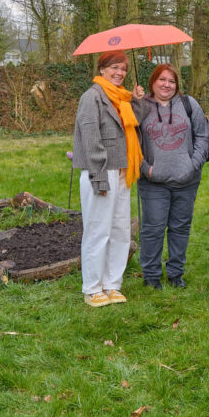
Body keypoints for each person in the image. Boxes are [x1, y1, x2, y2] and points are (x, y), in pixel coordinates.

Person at [72, 50, 144, 307]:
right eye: (114, 67)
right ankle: (92, 288)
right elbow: (91, 140)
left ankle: (112, 284)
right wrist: (99, 178)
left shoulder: (122, 98)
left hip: (122, 172)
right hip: (101, 172)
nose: (119, 73)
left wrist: (136, 101)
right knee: (98, 231)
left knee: (120, 231)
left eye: (123, 69)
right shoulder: (92, 97)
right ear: (102, 69)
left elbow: (133, 126)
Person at [137, 64, 209, 290]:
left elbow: (203, 136)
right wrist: (146, 169)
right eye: (162, 79)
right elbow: (131, 142)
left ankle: (176, 273)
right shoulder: (141, 106)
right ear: (153, 81)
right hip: (153, 183)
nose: (166, 85)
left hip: (186, 181)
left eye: (171, 81)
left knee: (180, 227)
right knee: (153, 229)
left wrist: (193, 165)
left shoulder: (189, 104)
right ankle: (151, 275)